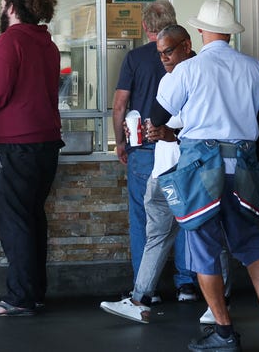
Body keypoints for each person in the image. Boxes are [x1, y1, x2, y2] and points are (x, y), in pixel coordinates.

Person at [157, 0, 259, 351]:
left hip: (202, 168)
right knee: (250, 240)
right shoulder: (253, 68)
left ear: (201, 31)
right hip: (243, 165)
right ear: (231, 33)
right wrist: (248, 154)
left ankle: (223, 330)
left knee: (202, 246)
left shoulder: (188, 70)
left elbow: (161, 113)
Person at [0, 0, 64, 317]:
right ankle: (34, 292)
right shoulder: (48, 44)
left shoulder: (9, 42)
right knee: (33, 219)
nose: (0, 9)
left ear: (11, 7)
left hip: (13, 145)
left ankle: (19, 297)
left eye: (1, 4)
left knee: (15, 223)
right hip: (46, 143)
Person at [100, 24, 194, 323]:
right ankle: (185, 285)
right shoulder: (192, 66)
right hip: (180, 155)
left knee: (150, 221)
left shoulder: (138, 59)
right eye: (162, 52)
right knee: (185, 221)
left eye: (168, 51)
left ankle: (148, 293)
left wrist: (121, 143)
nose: (164, 57)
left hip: (154, 153)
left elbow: (120, 106)